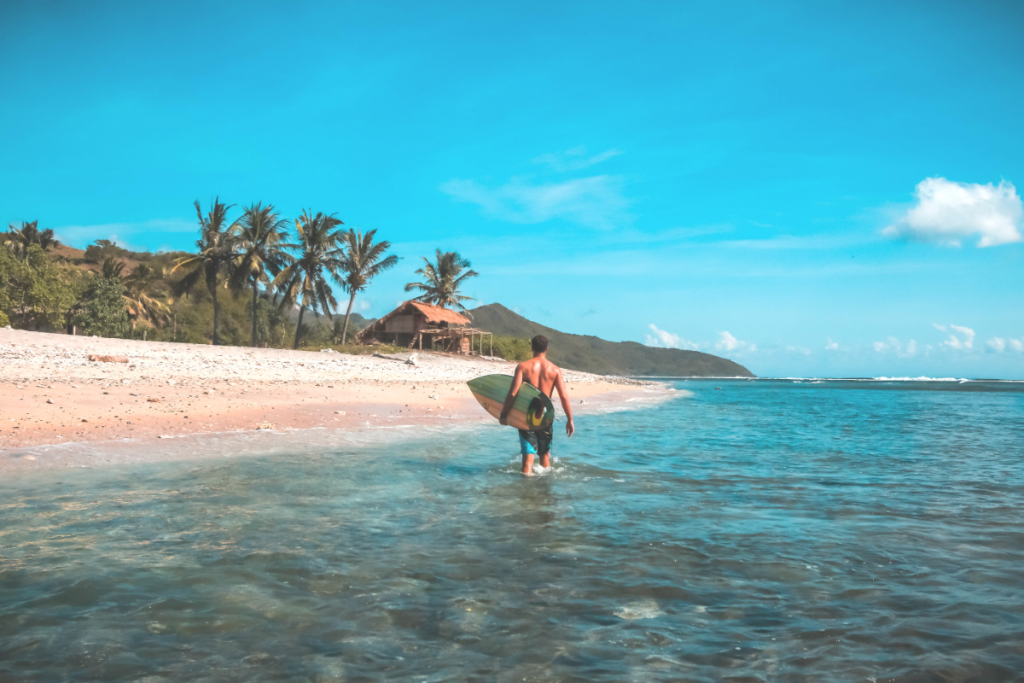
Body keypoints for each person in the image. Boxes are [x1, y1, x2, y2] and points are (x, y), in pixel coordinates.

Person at [499, 335, 575, 475]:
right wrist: (570, 419)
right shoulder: (555, 370)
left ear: (532, 348)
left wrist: (504, 414)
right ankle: (544, 491)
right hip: (545, 415)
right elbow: (563, 396)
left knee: (528, 461)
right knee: (545, 457)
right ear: (547, 349)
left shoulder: (523, 367)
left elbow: (513, 394)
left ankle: (526, 491)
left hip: (527, 415)